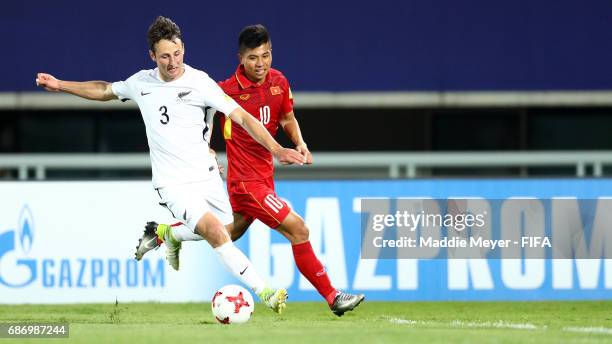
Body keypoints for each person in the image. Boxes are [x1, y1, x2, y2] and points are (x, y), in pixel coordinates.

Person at [35, 16, 307, 314]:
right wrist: (61, 85)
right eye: (165, 56)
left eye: (177, 54)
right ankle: (265, 292)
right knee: (216, 231)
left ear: (184, 49)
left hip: (205, 176)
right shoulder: (142, 83)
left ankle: (167, 233)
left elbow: (242, 117)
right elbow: (105, 90)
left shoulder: (200, 83)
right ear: (153, 56)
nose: (172, 61)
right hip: (172, 182)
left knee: (227, 230)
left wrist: (277, 147)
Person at [135, 24, 364, 317]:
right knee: (299, 229)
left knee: (229, 232)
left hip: (265, 179)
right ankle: (333, 297)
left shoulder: (279, 81)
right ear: (241, 58)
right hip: (245, 183)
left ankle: (167, 233)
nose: (261, 64)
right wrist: (204, 150)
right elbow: (193, 119)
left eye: (266, 56)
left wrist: (300, 142)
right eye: (254, 58)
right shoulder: (224, 90)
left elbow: (287, 117)